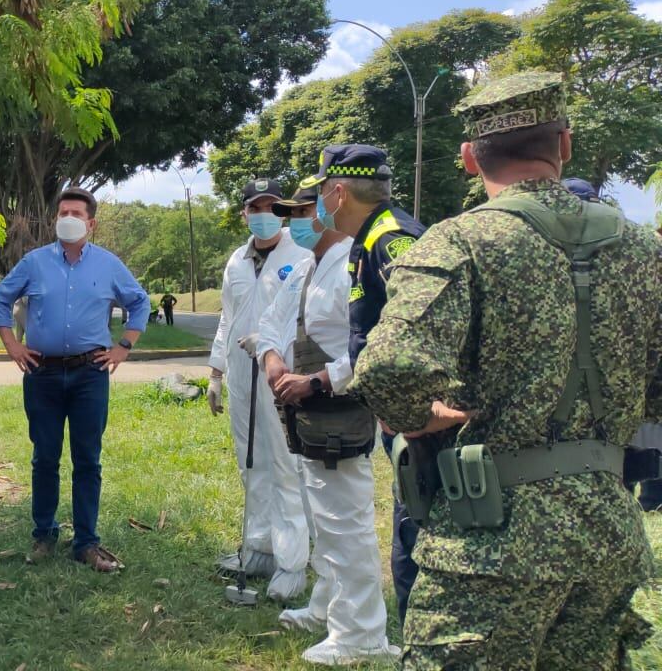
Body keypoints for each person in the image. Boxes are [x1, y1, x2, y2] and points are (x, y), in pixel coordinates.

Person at [352, 71, 661, 668]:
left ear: (470, 158)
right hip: (608, 534)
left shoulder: (459, 242)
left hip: (490, 542)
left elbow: (388, 367)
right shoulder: (645, 248)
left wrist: (418, 417)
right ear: (564, 144)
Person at [256, 185, 398, 666]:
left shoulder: (354, 266)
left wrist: (317, 380)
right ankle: (328, 607)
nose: (295, 221)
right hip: (304, 412)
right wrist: (272, 359)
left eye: (302, 211)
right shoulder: (305, 267)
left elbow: (373, 348)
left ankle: (362, 633)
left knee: (346, 524)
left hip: (339, 410)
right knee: (323, 519)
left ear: (326, 209)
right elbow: (270, 322)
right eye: (291, 213)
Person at [0, 187, 150, 572]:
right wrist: (12, 345)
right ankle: (44, 534)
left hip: (89, 374)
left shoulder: (108, 265)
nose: (68, 219)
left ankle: (86, 542)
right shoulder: (34, 262)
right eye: (63, 212)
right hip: (41, 372)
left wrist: (124, 346)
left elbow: (139, 302)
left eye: (76, 213)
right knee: (45, 457)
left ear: (91, 224)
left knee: (87, 459)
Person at [305, 143, 426, 624]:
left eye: (320, 193)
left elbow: (421, 331)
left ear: (338, 193)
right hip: (398, 413)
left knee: (418, 529)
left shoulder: (393, 240)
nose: (317, 205)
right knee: (407, 521)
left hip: (420, 418)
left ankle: (412, 630)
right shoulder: (367, 239)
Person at [206, 178, 312, 602]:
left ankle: (292, 562)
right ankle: (259, 547)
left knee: (285, 464)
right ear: (244, 213)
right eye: (256, 207)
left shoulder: (301, 253)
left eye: (272, 206)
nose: (264, 214)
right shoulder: (236, 259)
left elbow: (307, 317)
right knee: (250, 462)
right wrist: (215, 372)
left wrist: (273, 347)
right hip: (240, 373)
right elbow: (227, 317)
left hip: (281, 372)